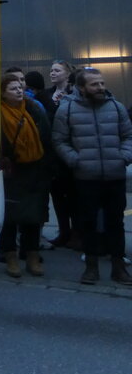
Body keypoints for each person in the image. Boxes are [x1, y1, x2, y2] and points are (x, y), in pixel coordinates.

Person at [51, 66, 132, 285]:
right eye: (95, 84)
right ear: (81, 87)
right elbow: (59, 140)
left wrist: (123, 156)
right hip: (86, 178)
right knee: (87, 224)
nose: (101, 87)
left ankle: (118, 268)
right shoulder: (67, 109)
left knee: (116, 223)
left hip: (114, 176)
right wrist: (75, 160)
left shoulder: (116, 107)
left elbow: (128, 136)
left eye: (102, 83)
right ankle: (91, 268)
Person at [0, 75, 52, 277]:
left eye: (20, 87)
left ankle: (31, 255)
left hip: (34, 168)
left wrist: (47, 167)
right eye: (13, 89)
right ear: (3, 93)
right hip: (10, 169)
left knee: (33, 216)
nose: (19, 91)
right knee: (9, 217)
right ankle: (10, 256)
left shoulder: (34, 109)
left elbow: (46, 137)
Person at [37, 60, 79, 248]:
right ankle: (64, 232)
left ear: (67, 73)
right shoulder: (45, 95)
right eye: (51, 70)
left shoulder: (75, 93)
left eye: (56, 70)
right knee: (57, 196)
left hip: (71, 151)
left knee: (74, 195)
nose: (52, 73)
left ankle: (77, 233)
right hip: (50, 154)